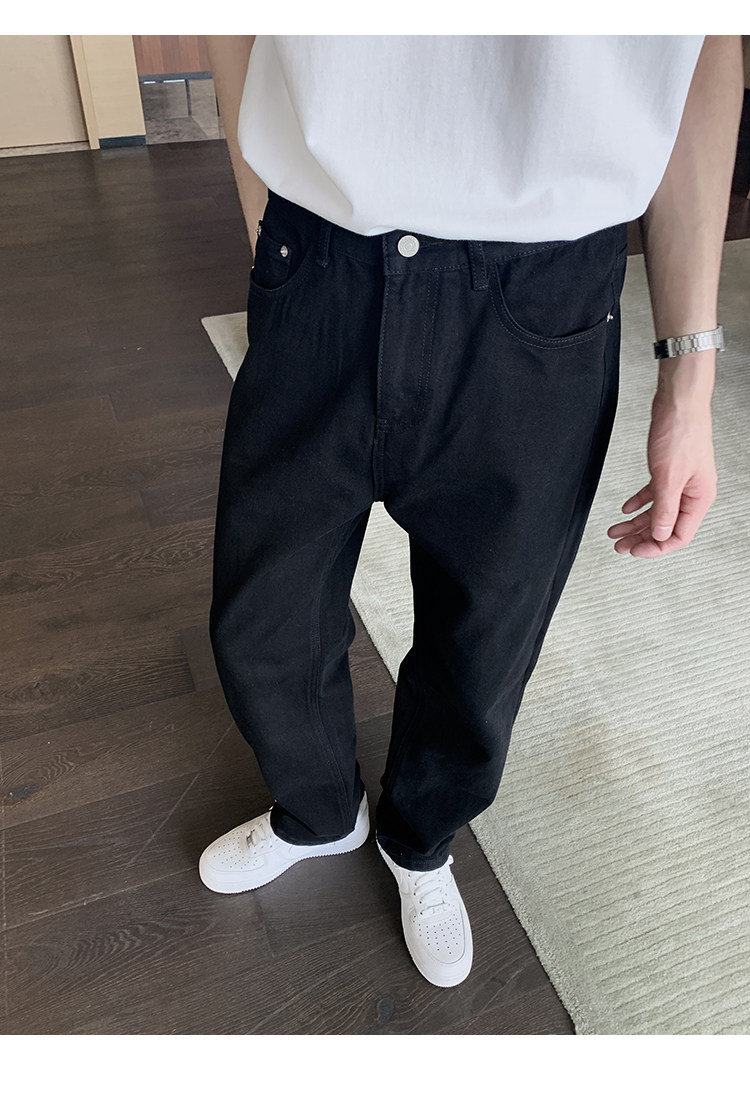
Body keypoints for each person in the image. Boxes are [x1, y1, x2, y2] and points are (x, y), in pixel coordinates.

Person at [198, 35, 744, 989]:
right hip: (319, 253)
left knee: (485, 639)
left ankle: (419, 837)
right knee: (262, 613)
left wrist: (688, 382)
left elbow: (700, 53)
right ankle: (320, 813)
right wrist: (266, 225)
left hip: (542, 294)